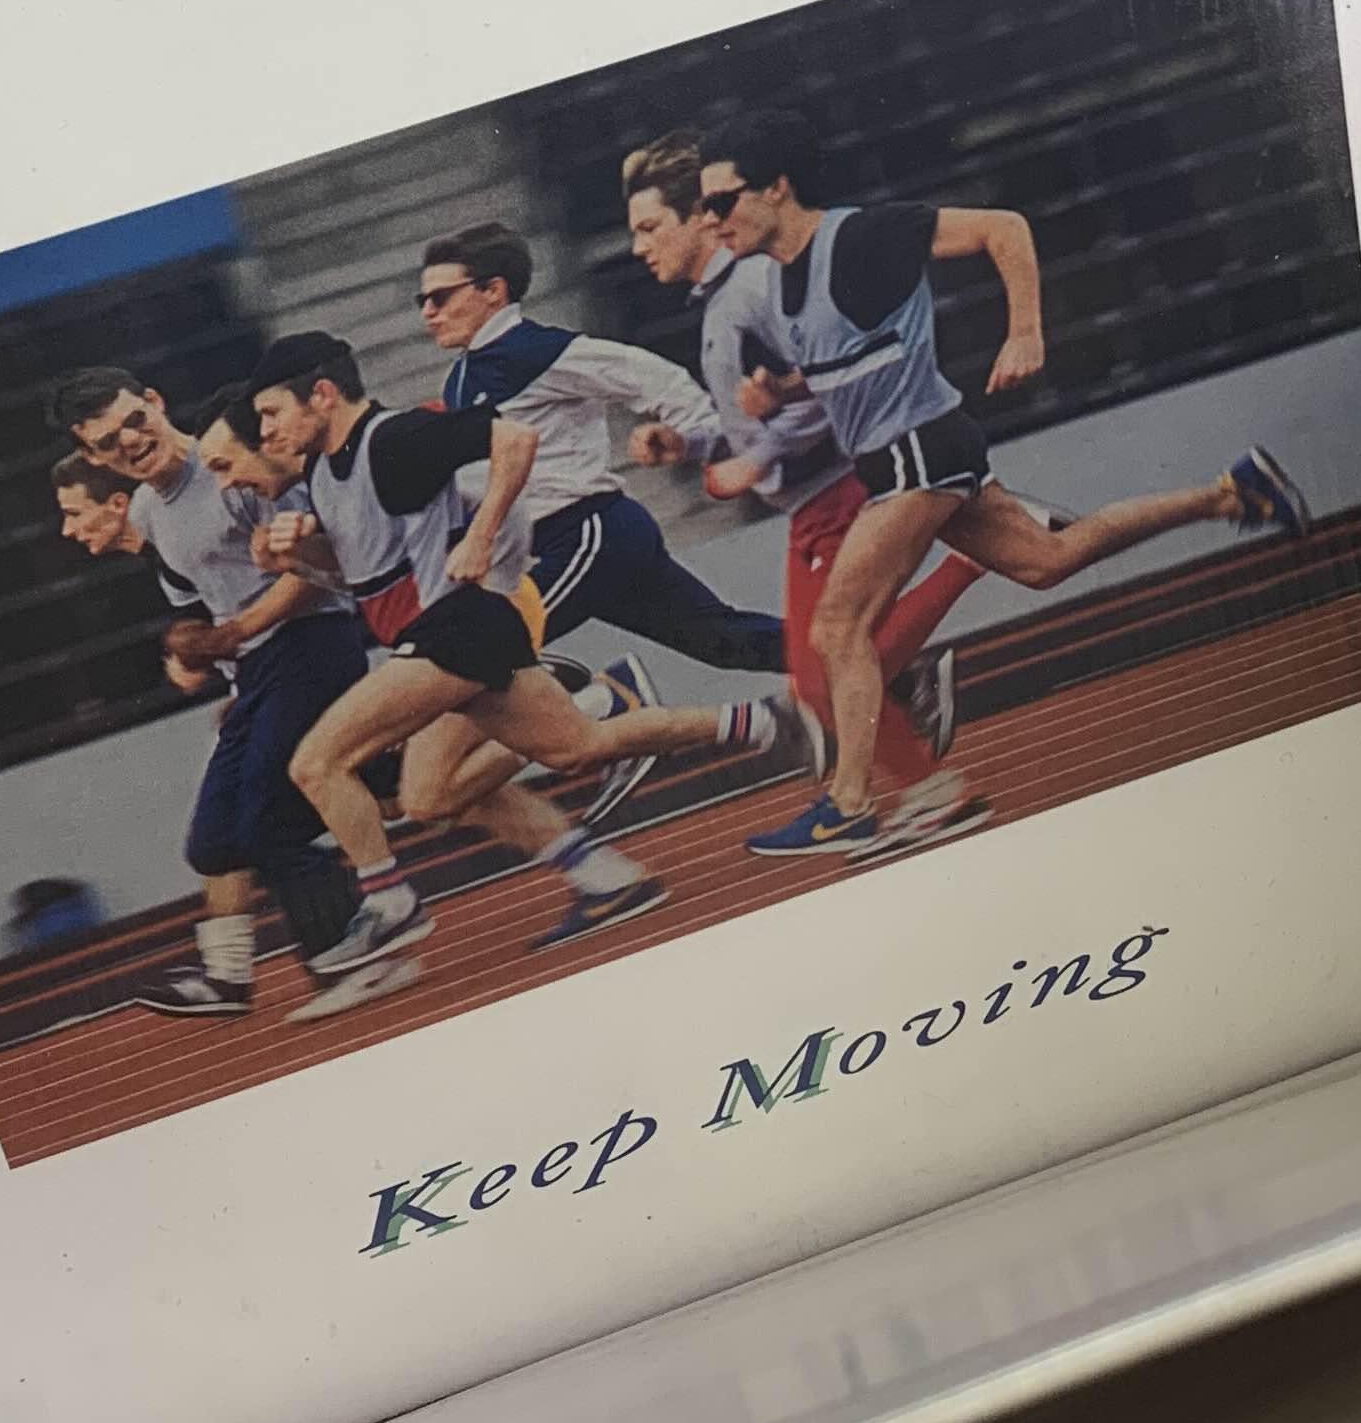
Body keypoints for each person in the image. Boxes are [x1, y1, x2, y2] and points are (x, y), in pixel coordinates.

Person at [705, 115, 1309, 856]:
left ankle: (850, 804)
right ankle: (1229, 494)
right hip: (907, 459)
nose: (711, 220)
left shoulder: (862, 236)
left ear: (776, 187)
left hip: (918, 450)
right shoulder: (782, 281)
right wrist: (782, 393)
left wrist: (1025, 332)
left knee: (835, 628)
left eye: (721, 201)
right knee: (1045, 562)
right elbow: (845, 360)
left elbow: (1003, 228)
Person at [249, 332, 813, 960]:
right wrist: (299, 556)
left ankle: (390, 902)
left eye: (272, 413)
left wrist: (482, 536)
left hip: (454, 632)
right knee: (553, 754)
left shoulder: (395, 438)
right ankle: (764, 721)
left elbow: (515, 439)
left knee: (316, 763)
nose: (266, 431)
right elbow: (363, 578)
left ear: (322, 395)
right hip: (452, 636)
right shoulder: (325, 471)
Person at [619, 129, 977, 842]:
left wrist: (759, 461)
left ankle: (927, 789)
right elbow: (760, 412)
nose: (637, 247)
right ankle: (913, 737)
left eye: (650, 228)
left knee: (821, 673)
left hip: (837, 491)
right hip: (811, 504)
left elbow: (829, 386)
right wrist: (690, 443)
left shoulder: (753, 286)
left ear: (701, 218)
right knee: (825, 665)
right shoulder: (725, 299)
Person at [51, 369, 415, 1020]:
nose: (130, 442)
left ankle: (362, 960)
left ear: (156, 401)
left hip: (310, 643)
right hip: (255, 671)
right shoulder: (148, 512)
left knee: (269, 823)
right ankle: (415, 753)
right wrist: (196, 648)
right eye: (108, 442)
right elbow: (198, 609)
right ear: (94, 456)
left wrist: (237, 632)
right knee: (214, 843)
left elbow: (314, 568)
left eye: (134, 421)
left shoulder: (229, 460)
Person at [415, 222, 787, 675]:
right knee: (728, 643)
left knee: (481, 651)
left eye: (440, 297)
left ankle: (601, 703)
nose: (428, 312)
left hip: (589, 534)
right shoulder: (459, 378)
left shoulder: (536, 350)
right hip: (578, 541)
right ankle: (855, 655)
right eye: (422, 301)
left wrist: (691, 433)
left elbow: (655, 377)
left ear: (493, 290)